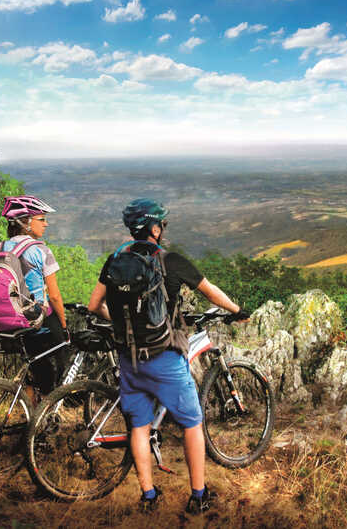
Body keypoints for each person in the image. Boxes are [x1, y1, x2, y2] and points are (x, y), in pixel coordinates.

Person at [88, 198, 249, 514]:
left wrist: (123, 325)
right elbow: (210, 290)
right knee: (192, 422)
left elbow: (94, 306)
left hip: (129, 361)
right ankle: (199, 495)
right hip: (164, 358)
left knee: (139, 426)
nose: (162, 229)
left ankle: (148, 496)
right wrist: (237, 310)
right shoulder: (170, 261)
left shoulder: (114, 260)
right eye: (160, 224)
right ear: (154, 228)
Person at [1, 195, 69, 401]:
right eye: (41, 219)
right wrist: (64, 325)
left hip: (7, 318)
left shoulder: (1, 247)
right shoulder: (40, 250)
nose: (46, 224)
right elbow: (55, 296)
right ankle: (48, 409)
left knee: (34, 364)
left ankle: (30, 416)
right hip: (36, 319)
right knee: (63, 351)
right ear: (26, 222)